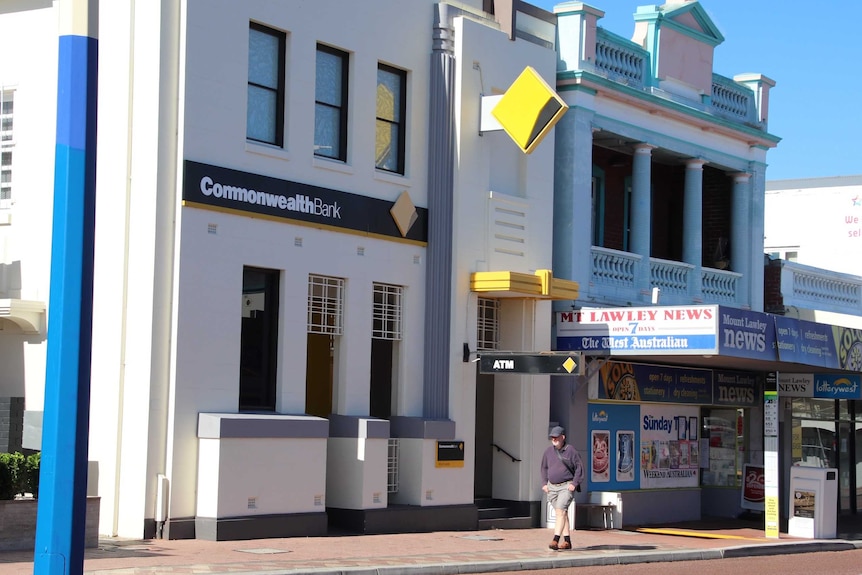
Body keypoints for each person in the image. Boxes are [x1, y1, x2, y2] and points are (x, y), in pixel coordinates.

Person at [540, 425, 585, 550]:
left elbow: (579, 468)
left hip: (566, 486)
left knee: (560, 511)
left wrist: (574, 484)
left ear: (563, 437)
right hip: (552, 487)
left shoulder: (571, 451)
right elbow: (544, 468)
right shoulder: (548, 452)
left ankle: (555, 540)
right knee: (562, 513)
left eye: (556, 437)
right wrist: (544, 483)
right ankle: (567, 541)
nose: (553, 439)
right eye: (552, 437)